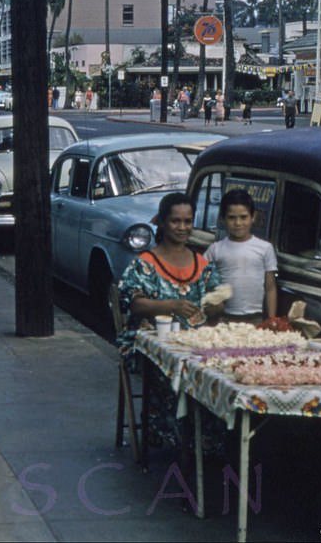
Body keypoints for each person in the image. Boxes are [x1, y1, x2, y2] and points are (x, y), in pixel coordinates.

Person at [117, 192, 222, 451]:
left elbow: (217, 301)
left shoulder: (203, 263)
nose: (183, 228)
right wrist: (170, 305)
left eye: (188, 222)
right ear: (161, 222)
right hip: (149, 343)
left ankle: (207, 440)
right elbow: (135, 303)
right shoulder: (145, 263)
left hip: (193, 343)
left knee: (216, 372)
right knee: (173, 371)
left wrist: (216, 303)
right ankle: (174, 437)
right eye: (176, 221)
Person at [203, 188, 277, 325]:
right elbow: (203, 282)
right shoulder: (215, 249)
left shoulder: (265, 248)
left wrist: (271, 319)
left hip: (255, 318)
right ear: (223, 218)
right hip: (222, 318)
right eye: (232, 218)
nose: (238, 223)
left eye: (243, 217)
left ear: (253, 217)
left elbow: (270, 287)